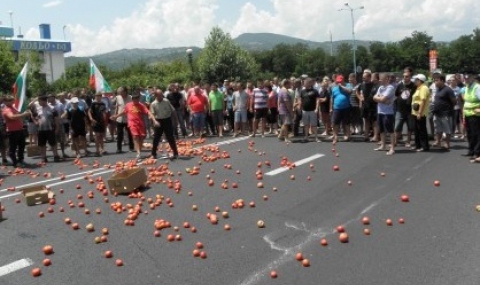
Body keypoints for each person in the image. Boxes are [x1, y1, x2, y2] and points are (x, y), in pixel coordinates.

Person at [111, 93, 158, 160]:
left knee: (141, 137)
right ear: (132, 99)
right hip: (132, 123)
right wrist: (116, 116)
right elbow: (124, 112)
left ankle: (139, 148)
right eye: (135, 99)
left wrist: (154, 120)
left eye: (137, 99)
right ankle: (138, 153)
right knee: (135, 136)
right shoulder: (128, 105)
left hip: (140, 123)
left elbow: (148, 112)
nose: (136, 101)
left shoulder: (141, 105)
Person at [2, 95, 31, 167]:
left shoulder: (13, 107)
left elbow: (18, 115)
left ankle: (20, 160)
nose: (11, 101)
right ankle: (15, 162)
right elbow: (11, 117)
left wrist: (24, 114)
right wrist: (23, 114)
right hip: (13, 131)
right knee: (13, 148)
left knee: (22, 146)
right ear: (5, 102)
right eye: (9, 100)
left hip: (19, 129)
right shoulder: (7, 109)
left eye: (12, 100)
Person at [149, 89, 179, 160]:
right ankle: (153, 153)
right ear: (156, 96)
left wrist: (176, 119)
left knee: (170, 137)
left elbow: (173, 110)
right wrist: (154, 121)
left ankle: (175, 153)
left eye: (161, 95)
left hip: (167, 120)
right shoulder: (153, 104)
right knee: (156, 138)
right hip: (159, 121)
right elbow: (152, 114)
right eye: (159, 95)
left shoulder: (166, 101)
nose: (161, 96)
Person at [30, 95, 61, 163]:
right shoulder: (37, 108)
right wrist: (35, 122)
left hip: (50, 129)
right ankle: (43, 157)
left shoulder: (52, 108)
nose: (38, 102)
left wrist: (57, 128)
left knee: (53, 143)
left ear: (44, 101)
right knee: (42, 144)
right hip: (41, 129)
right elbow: (32, 115)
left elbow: (56, 119)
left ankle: (56, 156)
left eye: (39, 101)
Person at [373, 73, 396, 155]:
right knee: (382, 130)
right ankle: (383, 145)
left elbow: (382, 99)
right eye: (379, 79)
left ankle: (392, 148)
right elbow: (374, 97)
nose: (379, 80)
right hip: (380, 111)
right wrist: (381, 99)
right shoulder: (380, 87)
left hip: (388, 112)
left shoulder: (390, 88)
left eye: (381, 79)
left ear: (386, 79)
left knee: (390, 130)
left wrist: (380, 99)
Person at [431, 73, 456, 150]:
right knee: (438, 129)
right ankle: (438, 141)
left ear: (442, 81)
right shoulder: (438, 89)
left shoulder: (448, 90)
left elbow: (454, 101)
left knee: (447, 129)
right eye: (434, 80)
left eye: (436, 80)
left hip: (445, 113)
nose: (435, 82)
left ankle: (447, 144)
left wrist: (447, 108)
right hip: (437, 113)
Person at [394, 69, 416, 148]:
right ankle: (395, 142)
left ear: (410, 77)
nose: (405, 78)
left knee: (410, 127)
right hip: (400, 109)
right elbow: (396, 95)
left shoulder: (413, 86)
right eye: (403, 76)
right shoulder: (399, 85)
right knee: (397, 127)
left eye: (406, 76)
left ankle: (408, 141)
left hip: (410, 110)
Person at [462, 72, 480, 162]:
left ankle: (477, 153)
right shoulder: (467, 87)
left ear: (472, 78)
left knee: (476, 134)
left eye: (468, 78)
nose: (466, 80)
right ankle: (471, 150)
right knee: (469, 134)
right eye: (465, 78)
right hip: (468, 113)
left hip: (475, 114)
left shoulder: (477, 87)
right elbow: (466, 101)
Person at [411, 74, 431, 152]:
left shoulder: (424, 88)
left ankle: (424, 146)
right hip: (415, 112)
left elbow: (423, 100)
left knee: (421, 129)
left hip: (420, 113)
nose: (415, 81)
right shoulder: (418, 88)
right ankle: (418, 145)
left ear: (419, 80)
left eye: (416, 80)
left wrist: (419, 112)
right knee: (416, 129)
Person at [359, 70, 380, 142]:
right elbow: (357, 91)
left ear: (369, 77)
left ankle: (375, 136)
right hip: (365, 105)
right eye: (363, 77)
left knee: (374, 121)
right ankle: (366, 135)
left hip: (373, 105)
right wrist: (360, 97)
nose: (363, 79)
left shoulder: (373, 84)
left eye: (364, 77)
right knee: (366, 120)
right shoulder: (362, 84)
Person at [330, 75, 351, 144]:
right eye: (338, 82)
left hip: (346, 108)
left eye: (340, 81)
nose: (339, 83)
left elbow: (350, 91)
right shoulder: (334, 88)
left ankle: (347, 135)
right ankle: (335, 136)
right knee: (335, 123)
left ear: (343, 80)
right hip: (337, 108)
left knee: (346, 123)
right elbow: (332, 98)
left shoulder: (348, 85)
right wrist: (331, 108)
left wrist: (342, 87)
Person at [298, 78, 320, 142]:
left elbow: (318, 100)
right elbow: (300, 100)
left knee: (314, 125)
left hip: (313, 110)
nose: (304, 84)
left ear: (309, 83)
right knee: (306, 125)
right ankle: (306, 137)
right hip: (304, 110)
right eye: (304, 83)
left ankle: (316, 137)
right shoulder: (302, 91)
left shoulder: (315, 91)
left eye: (305, 83)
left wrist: (316, 108)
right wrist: (300, 108)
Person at [114, 87, 134, 153]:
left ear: (125, 92)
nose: (120, 95)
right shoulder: (118, 97)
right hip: (119, 119)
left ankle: (131, 147)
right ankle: (119, 148)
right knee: (119, 134)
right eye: (119, 93)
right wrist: (115, 115)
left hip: (128, 118)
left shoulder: (130, 98)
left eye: (121, 93)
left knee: (130, 134)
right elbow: (117, 106)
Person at [48, 93, 68, 159]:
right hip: (52, 126)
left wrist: (62, 116)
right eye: (48, 98)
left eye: (50, 97)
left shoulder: (60, 104)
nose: (49, 99)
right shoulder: (48, 106)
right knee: (54, 141)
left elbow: (65, 111)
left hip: (60, 124)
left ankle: (63, 153)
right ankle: (56, 154)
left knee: (62, 140)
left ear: (53, 98)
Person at [89, 92, 108, 156]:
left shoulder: (103, 104)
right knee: (97, 136)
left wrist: (105, 120)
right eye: (97, 96)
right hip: (95, 121)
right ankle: (97, 150)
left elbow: (104, 112)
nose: (98, 97)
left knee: (101, 136)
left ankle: (102, 149)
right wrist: (91, 119)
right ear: (95, 96)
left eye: (100, 96)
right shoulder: (93, 104)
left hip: (102, 122)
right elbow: (89, 111)